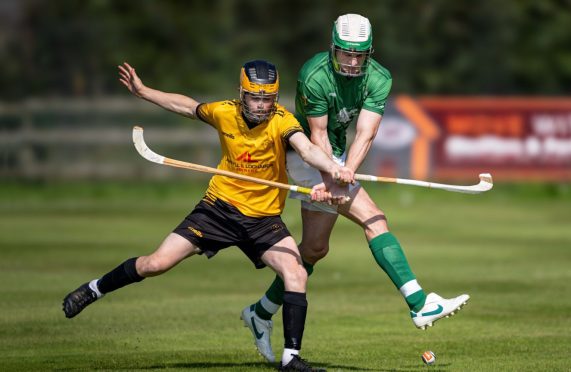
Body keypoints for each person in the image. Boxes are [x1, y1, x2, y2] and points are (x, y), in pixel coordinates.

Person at [62, 59, 355, 371]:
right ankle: (94, 289)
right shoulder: (224, 112)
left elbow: (308, 150)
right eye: (255, 97)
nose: (261, 105)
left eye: (267, 98)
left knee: (296, 273)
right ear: (241, 94)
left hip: (263, 220)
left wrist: (335, 171)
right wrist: (144, 91)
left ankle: (290, 359)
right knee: (155, 263)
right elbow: (189, 106)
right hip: (218, 210)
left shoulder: (282, 122)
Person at [241, 14, 470, 362]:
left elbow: (366, 133)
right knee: (374, 219)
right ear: (333, 48)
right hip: (302, 153)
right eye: (345, 53)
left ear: (369, 53)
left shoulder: (379, 78)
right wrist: (333, 177)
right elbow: (316, 136)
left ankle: (261, 312)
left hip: (334, 154)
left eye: (359, 55)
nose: (351, 61)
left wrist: (348, 169)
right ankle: (419, 303)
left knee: (315, 249)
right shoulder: (314, 75)